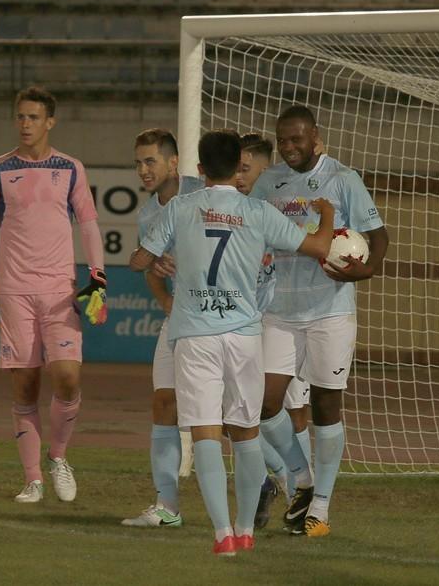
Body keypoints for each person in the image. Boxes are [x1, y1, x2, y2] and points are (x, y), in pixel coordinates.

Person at [129, 129, 334, 556]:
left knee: (204, 432)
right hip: (242, 336)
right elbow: (317, 245)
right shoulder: (257, 211)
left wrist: (157, 259)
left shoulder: (181, 207)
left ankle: (222, 534)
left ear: (199, 170)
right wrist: (328, 216)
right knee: (244, 433)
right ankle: (246, 529)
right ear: (236, 164)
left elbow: (140, 260)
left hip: (194, 335)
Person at [0, 86, 108, 505]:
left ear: (50, 121)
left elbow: (90, 224)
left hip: (59, 289)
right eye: (20, 117)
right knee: (25, 386)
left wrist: (98, 277)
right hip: (14, 290)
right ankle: (33, 478)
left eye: (33, 117)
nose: (25, 124)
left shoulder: (71, 168)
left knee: (68, 376)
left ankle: (59, 457)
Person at [250, 105, 389, 538]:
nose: (288, 147)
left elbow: (378, 235)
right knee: (264, 404)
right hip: (279, 311)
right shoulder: (268, 182)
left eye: (296, 139)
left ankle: (321, 506)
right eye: (282, 140)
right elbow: (249, 228)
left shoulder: (343, 179)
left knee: (327, 406)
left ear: (316, 137)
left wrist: (368, 268)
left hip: (330, 309)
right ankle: (302, 480)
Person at [121, 128, 202, 528]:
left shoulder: (205, 192)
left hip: (219, 318)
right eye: (138, 162)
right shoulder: (149, 213)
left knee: (232, 414)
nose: (143, 169)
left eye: (150, 160)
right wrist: (162, 295)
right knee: (163, 402)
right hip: (178, 317)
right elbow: (147, 268)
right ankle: (167, 506)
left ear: (173, 162)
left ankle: (268, 486)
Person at [237, 133, 312, 527]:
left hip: (288, 321)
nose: (239, 175)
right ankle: (281, 482)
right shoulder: (238, 210)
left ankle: (303, 497)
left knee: (294, 410)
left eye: (246, 168)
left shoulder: (288, 208)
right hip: (250, 322)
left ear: (265, 170)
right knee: (239, 408)